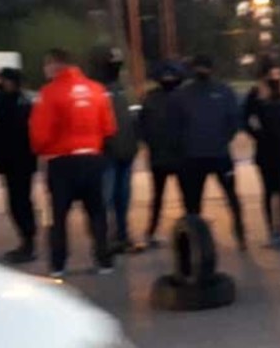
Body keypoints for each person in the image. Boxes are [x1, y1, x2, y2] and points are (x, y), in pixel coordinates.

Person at [29, 48, 117, 278]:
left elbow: (40, 132)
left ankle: (58, 265)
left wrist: (42, 150)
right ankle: (104, 260)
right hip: (93, 158)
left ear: (53, 65)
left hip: (62, 162)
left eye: (46, 65)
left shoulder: (49, 93)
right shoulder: (97, 90)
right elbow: (109, 127)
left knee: (58, 216)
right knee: (97, 213)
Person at [171, 54, 246, 250]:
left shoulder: (216, 91)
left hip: (206, 154)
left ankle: (235, 233)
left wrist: (221, 140)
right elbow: (233, 121)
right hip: (203, 155)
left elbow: (233, 121)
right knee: (209, 200)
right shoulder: (218, 91)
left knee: (200, 202)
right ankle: (234, 235)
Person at [242, 62, 280, 248]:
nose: (276, 76)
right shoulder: (257, 94)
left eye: (278, 73)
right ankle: (271, 233)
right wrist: (257, 134)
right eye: (272, 73)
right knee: (268, 191)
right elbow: (244, 118)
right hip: (266, 150)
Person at [0, 67, 38, 263]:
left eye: (2, 81)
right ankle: (26, 241)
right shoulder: (5, 102)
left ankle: (28, 243)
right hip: (11, 161)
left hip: (20, 160)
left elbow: (11, 132)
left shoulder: (20, 104)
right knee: (17, 202)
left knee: (20, 202)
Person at [93, 47, 141, 253]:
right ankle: (105, 240)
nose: (115, 68)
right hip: (107, 155)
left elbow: (134, 120)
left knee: (122, 198)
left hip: (126, 152)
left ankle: (122, 235)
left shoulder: (123, 89)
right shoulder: (97, 90)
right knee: (107, 199)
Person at [138, 60, 186, 247]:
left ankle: (151, 231)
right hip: (180, 155)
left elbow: (142, 127)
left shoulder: (150, 98)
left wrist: (150, 144)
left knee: (157, 196)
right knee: (185, 196)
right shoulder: (183, 97)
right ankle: (189, 230)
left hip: (158, 156)